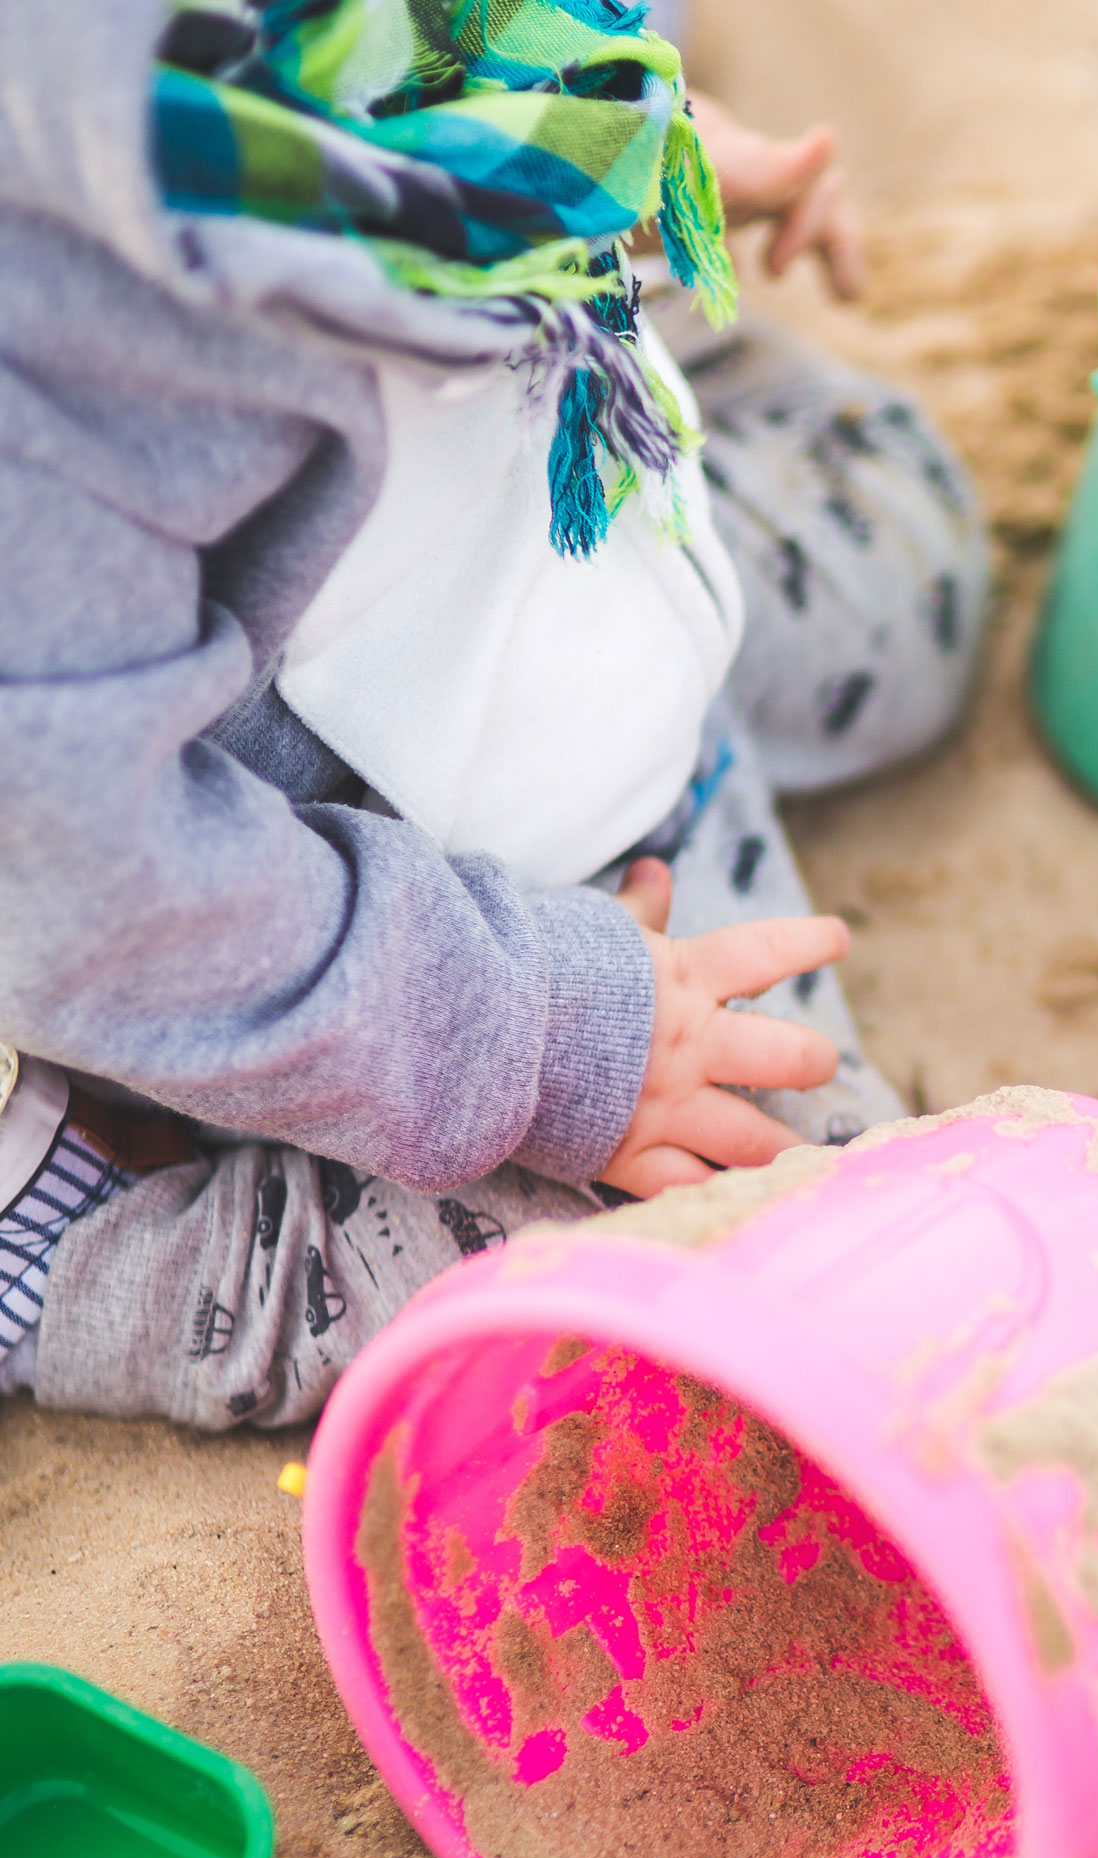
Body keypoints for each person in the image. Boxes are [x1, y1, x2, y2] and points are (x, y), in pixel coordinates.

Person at [0, 0, 989, 1431]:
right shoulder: (55, 349)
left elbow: (433, 74)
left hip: (535, 562)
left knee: (916, 562)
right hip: (363, 899)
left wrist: (621, 162)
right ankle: (70, 1230)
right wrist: (546, 1036)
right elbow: (88, 885)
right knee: (795, 1276)